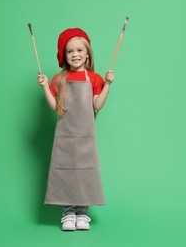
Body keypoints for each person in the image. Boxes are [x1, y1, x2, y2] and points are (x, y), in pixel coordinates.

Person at [37, 28, 114, 231]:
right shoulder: (59, 79)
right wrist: (45, 86)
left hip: (85, 138)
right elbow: (55, 107)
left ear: (87, 53)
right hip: (65, 136)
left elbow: (97, 105)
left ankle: (82, 213)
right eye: (70, 51)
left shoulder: (95, 78)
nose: (75, 54)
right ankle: (68, 212)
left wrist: (107, 84)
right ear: (64, 56)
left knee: (85, 173)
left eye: (79, 50)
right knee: (66, 173)